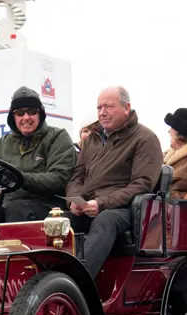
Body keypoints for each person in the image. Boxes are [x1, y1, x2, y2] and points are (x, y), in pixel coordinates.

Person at [65, 86, 163, 278]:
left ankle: (77, 282)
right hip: (90, 206)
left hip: (126, 210)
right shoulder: (93, 138)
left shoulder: (145, 138)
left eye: (109, 107)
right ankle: (42, 279)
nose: (102, 113)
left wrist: (101, 204)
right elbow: (77, 175)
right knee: (57, 221)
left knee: (105, 220)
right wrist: (73, 200)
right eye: (99, 107)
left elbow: (142, 184)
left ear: (126, 108)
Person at [0, 86, 76, 223]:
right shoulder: (2, 144)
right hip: (9, 206)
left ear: (40, 114)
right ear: (13, 116)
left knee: (16, 208)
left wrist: (22, 179)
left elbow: (59, 178)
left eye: (32, 112)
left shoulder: (57, 137)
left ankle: (19, 245)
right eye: (20, 113)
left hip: (48, 207)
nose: (26, 117)